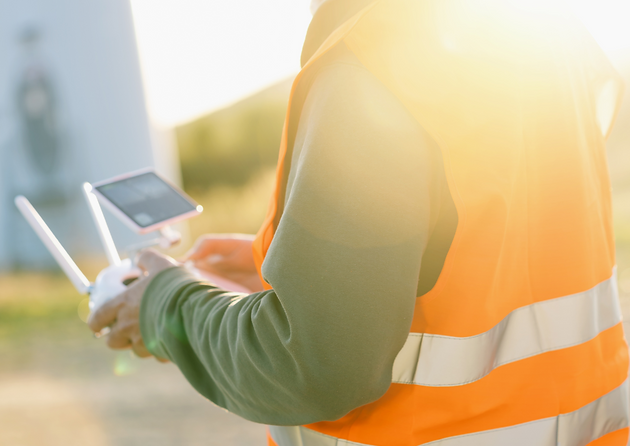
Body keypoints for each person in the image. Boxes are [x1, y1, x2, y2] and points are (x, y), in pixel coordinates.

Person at [89, 0, 630, 444]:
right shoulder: (552, 37)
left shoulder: (371, 73)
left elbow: (308, 366)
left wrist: (165, 302)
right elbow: (492, 247)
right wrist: (303, 269)